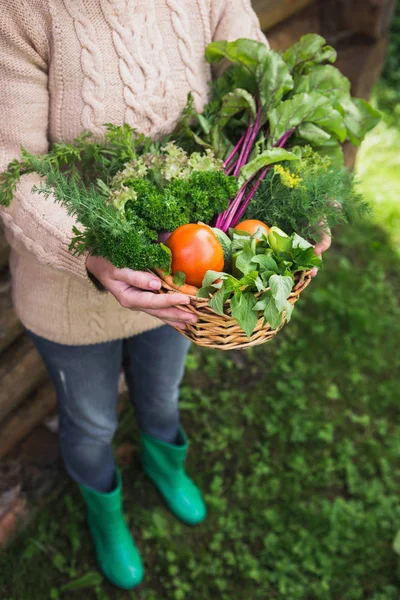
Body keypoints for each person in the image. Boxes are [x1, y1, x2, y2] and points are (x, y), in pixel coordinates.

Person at [0, 0, 330, 591]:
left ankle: (164, 462)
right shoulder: (22, 13)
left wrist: (302, 200)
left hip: (183, 276)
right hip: (67, 296)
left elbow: (255, 75)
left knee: (162, 390)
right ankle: (107, 514)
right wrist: (88, 250)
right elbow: (10, 168)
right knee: (92, 419)